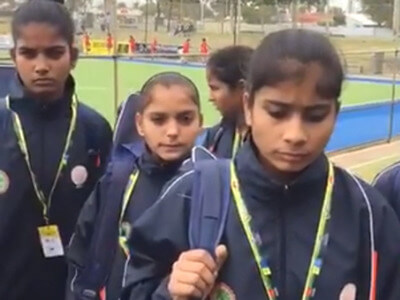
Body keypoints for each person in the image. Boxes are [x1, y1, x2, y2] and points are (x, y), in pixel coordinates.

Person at [121, 29, 400, 300]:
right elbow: (134, 287)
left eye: (315, 116)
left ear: (335, 114)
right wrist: (169, 290)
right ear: (248, 107)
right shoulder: (191, 196)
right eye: (277, 113)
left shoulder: (368, 213)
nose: (295, 135)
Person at [0, 1, 113, 299]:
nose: (41, 66)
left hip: (71, 287)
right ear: (14, 57)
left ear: (72, 56)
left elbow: (106, 218)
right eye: (28, 53)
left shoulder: (95, 129)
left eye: (54, 53)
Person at [67, 72, 203, 300]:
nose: (172, 132)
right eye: (158, 120)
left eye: (185, 119)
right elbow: (81, 250)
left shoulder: (213, 187)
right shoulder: (117, 181)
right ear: (140, 124)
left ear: (200, 122)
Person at [200, 45, 253, 158]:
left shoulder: (267, 141)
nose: (210, 97)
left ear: (242, 88)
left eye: (215, 88)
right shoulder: (215, 135)